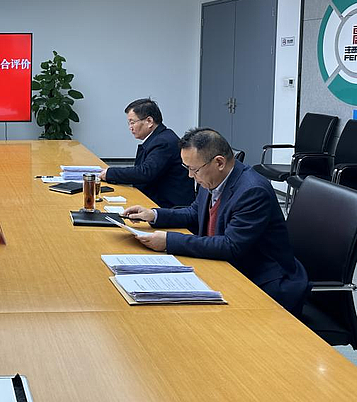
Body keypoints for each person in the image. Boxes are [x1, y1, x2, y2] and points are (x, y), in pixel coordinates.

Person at [122, 128, 309, 315]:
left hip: (262, 282)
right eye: (187, 168)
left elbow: (230, 246)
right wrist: (154, 215)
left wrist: (168, 241)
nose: (190, 176)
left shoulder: (252, 191)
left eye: (194, 169)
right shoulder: (213, 178)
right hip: (226, 268)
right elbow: (194, 212)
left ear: (219, 162)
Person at [99, 98, 194, 208]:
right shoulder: (159, 138)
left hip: (169, 207)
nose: (130, 127)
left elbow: (145, 172)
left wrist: (110, 173)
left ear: (149, 121)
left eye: (132, 122)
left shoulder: (164, 142)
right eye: (129, 123)